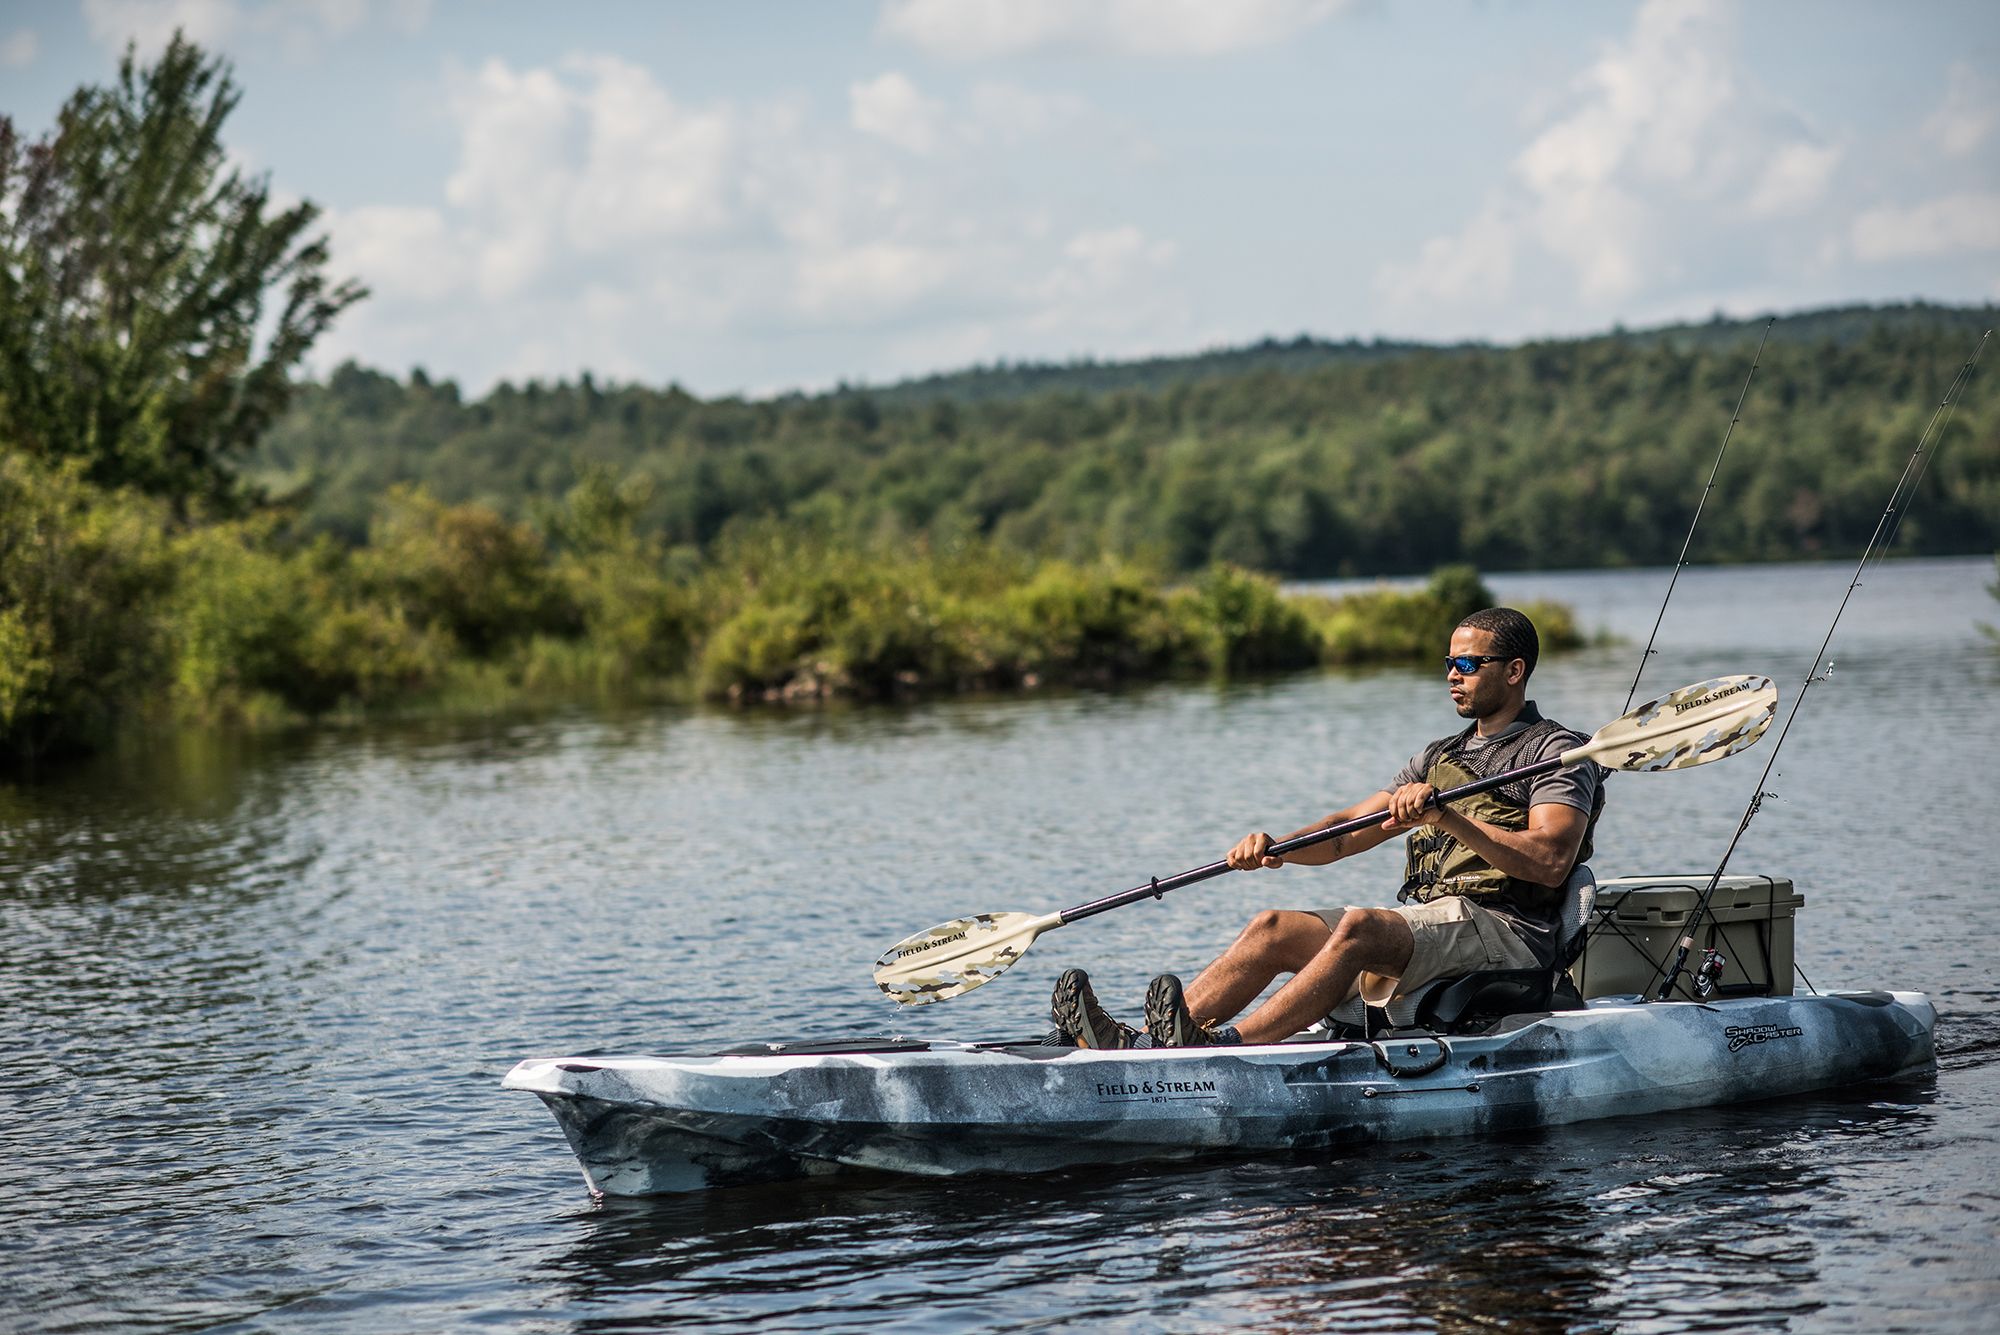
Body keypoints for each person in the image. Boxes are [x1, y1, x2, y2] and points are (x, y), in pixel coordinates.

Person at [1048, 606, 1605, 1049]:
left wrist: (1445, 816)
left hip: (1509, 931)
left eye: (1468, 664)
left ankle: (1232, 1046)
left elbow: (1551, 859)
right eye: (1448, 663)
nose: (1452, 676)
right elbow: (1346, 832)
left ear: (1514, 671)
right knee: (1272, 927)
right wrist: (1279, 848)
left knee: (1361, 926)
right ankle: (1151, 1046)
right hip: (1434, 920)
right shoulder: (1439, 756)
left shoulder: (1557, 751)